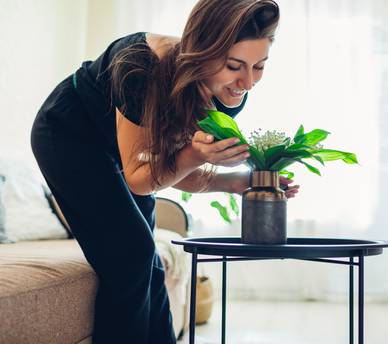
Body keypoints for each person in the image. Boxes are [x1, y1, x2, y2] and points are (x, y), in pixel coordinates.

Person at [30, 0, 300, 343]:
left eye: (259, 66)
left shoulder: (227, 92)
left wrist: (238, 182)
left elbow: (170, 171)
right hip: (68, 134)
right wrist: (193, 154)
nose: (247, 82)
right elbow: (141, 180)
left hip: (124, 156)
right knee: (132, 255)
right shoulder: (139, 67)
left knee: (148, 260)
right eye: (235, 66)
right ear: (204, 51)